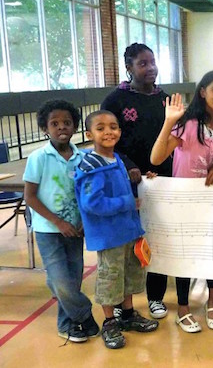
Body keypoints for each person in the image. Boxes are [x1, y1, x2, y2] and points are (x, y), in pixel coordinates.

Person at [149, 70, 213, 333]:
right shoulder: (187, 123)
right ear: (202, 91)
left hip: (212, 200)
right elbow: (156, 158)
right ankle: (183, 308)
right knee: (185, 252)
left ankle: (212, 299)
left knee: (211, 249)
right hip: (184, 201)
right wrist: (168, 122)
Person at [74, 110, 159, 349]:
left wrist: (144, 179)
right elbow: (92, 203)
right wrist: (126, 203)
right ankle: (110, 322)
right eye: (100, 128)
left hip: (128, 232)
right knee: (110, 278)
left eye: (113, 127)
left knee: (128, 274)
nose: (108, 131)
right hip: (109, 236)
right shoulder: (91, 165)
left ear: (120, 132)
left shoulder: (117, 159)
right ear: (89, 134)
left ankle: (128, 315)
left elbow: (123, 188)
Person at [100, 43, 172, 320]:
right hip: (126, 181)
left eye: (153, 62)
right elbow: (107, 142)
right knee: (128, 244)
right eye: (143, 63)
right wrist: (129, 166)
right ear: (129, 67)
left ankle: (155, 297)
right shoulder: (115, 101)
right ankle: (122, 302)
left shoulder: (164, 99)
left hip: (161, 180)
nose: (150, 67)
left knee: (158, 237)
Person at [23, 100, 99, 343]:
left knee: (72, 279)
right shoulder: (38, 157)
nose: (61, 127)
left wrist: (85, 222)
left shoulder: (82, 158)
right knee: (60, 280)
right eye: (54, 123)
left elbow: (87, 194)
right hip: (49, 230)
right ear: (45, 128)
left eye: (67, 123)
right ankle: (85, 315)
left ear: (75, 126)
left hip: (75, 230)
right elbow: (30, 197)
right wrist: (58, 222)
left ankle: (67, 324)